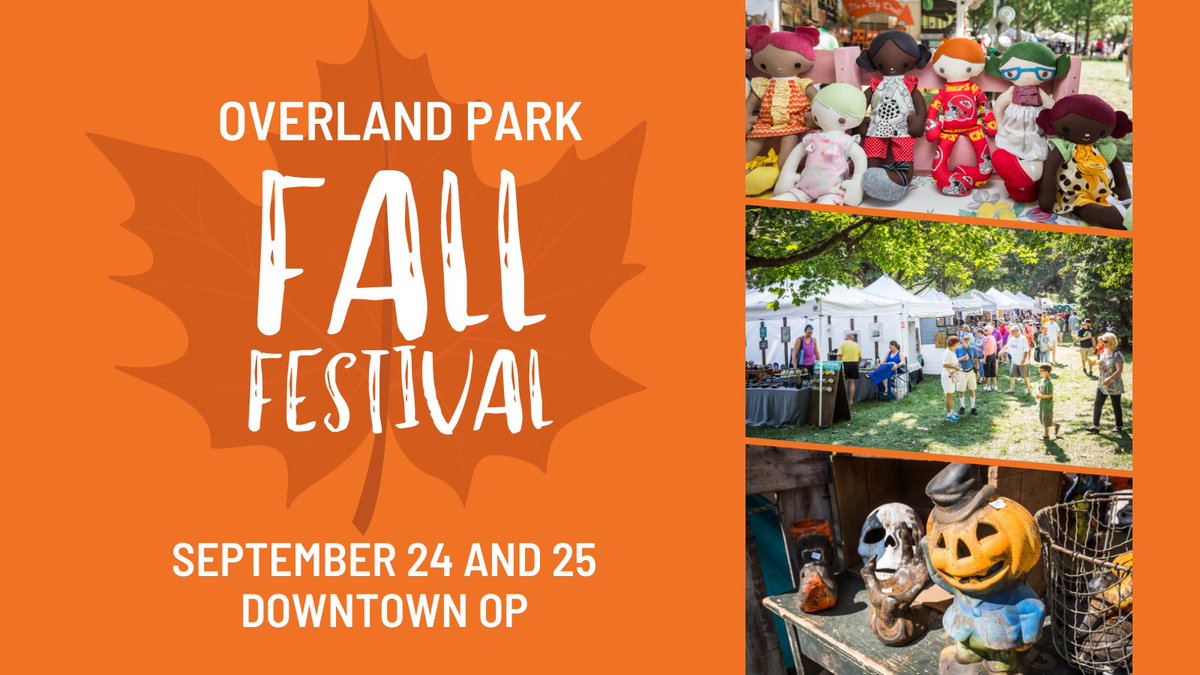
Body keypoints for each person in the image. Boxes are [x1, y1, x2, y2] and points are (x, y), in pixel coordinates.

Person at [1088, 333, 1126, 433]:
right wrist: (1096, 362)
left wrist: (1108, 380)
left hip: (1114, 383)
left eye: (1105, 341)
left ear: (1112, 342)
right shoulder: (1104, 351)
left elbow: (1119, 371)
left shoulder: (1117, 355)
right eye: (1103, 341)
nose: (1103, 343)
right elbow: (1102, 360)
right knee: (1097, 404)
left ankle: (1118, 426)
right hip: (1102, 382)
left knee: (1116, 405)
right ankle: (1095, 427)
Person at [1034, 363, 1061, 439]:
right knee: (1044, 420)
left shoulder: (1048, 383)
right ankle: (1056, 425)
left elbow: (1050, 395)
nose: (1040, 372)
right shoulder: (1042, 380)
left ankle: (1046, 436)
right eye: (1039, 370)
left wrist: (1041, 396)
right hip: (1042, 404)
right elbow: (1039, 389)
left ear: (1047, 372)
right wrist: (1037, 393)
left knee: (1045, 422)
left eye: (1041, 371)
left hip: (1047, 405)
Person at [955, 334, 979, 415]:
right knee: (961, 390)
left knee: (972, 389)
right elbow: (954, 361)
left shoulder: (972, 348)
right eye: (965, 339)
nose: (966, 341)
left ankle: (973, 407)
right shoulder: (957, 349)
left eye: (967, 339)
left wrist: (977, 371)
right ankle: (962, 407)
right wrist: (962, 358)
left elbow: (975, 360)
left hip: (971, 371)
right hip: (961, 372)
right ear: (962, 340)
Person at [1007, 323, 1032, 394]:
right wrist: (1001, 352)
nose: (1012, 333)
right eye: (1011, 332)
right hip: (1014, 361)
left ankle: (1028, 389)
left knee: (1025, 376)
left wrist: (1024, 359)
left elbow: (1026, 350)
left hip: (1022, 361)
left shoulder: (1023, 339)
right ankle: (1012, 389)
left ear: (1018, 331)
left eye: (1013, 331)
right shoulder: (1012, 339)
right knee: (1012, 375)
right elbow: (1008, 347)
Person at [942, 335, 963, 422]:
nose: (958, 344)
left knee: (951, 395)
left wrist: (958, 365)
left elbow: (953, 362)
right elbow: (945, 364)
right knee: (949, 396)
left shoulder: (952, 351)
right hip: (947, 376)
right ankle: (949, 415)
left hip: (952, 375)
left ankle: (951, 411)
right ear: (953, 344)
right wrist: (956, 368)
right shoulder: (947, 352)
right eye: (957, 343)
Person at [839, 332, 862, 405]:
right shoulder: (857, 345)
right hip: (854, 363)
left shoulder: (842, 344)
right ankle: (851, 400)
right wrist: (857, 365)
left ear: (846, 337)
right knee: (852, 383)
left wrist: (838, 366)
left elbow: (839, 357)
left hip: (845, 364)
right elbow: (860, 357)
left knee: (842, 383)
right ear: (852, 337)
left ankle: (843, 400)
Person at [981, 325, 998, 391]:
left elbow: (986, 349)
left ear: (990, 331)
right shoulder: (993, 337)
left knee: (987, 372)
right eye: (984, 330)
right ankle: (995, 385)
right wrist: (995, 355)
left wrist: (984, 358)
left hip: (987, 356)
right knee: (993, 371)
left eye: (986, 330)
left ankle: (988, 386)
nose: (985, 331)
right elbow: (995, 347)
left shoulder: (986, 338)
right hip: (993, 355)